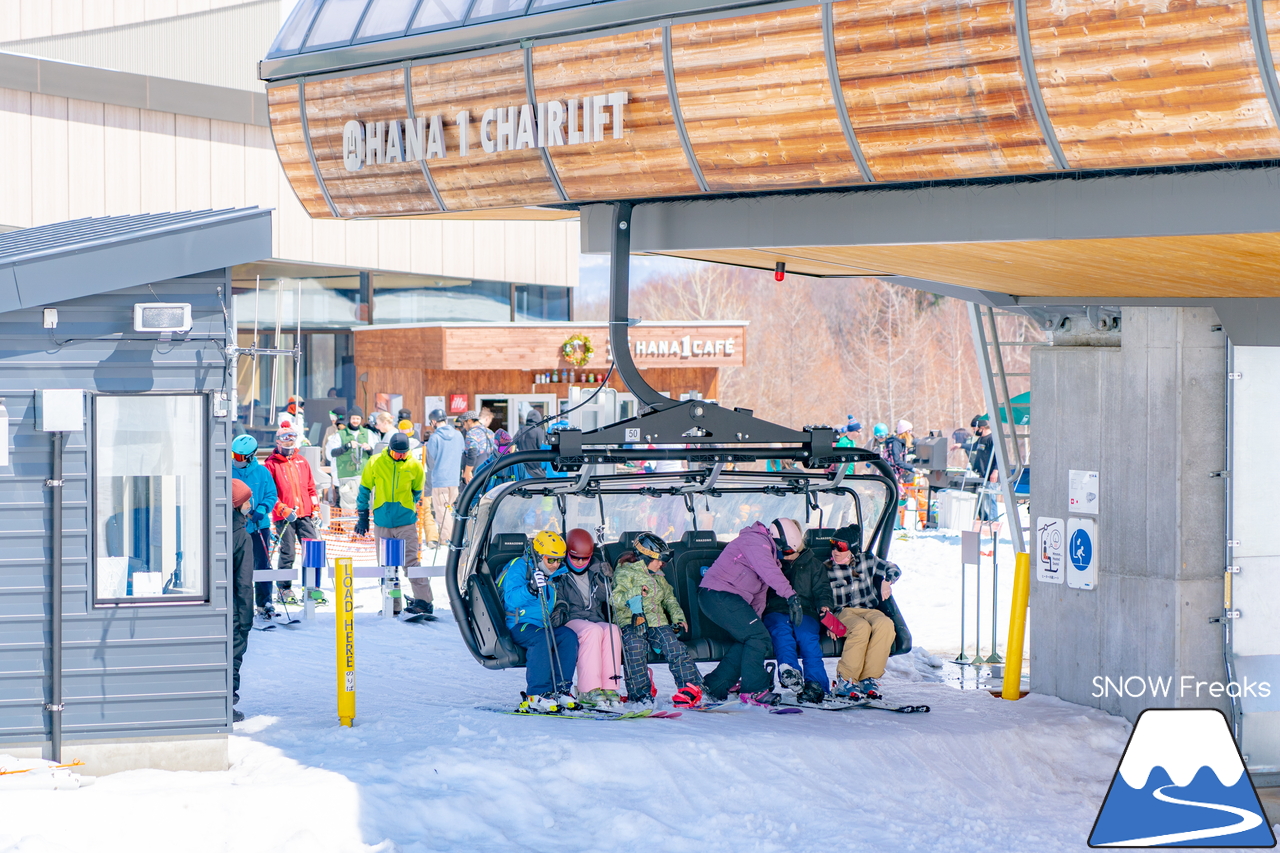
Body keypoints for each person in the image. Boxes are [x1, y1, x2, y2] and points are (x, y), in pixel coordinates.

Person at [698, 520, 800, 706]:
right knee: (759, 638)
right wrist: (791, 596)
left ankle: (715, 686)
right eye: (785, 551)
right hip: (719, 595)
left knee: (750, 639)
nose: (785, 556)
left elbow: (760, 594)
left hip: (727, 599)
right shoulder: (755, 542)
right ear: (778, 540)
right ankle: (754, 689)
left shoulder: (767, 552)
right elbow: (769, 573)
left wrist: (756, 620)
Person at [610, 533, 704, 707]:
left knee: (673, 645)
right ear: (646, 556)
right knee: (634, 646)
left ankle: (690, 688)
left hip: (657, 621)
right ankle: (640, 694)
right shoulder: (625, 572)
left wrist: (678, 617)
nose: (662, 564)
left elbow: (669, 599)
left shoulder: (658, 576)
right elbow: (614, 600)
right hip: (631, 621)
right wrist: (636, 591)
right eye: (659, 560)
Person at [497, 531, 579, 712]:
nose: (556, 564)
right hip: (519, 624)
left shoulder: (554, 573)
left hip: (543, 624)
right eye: (551, 560)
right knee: (541, 638)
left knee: (568, 636)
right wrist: (531, 588)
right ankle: (538, 693)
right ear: (539, 556)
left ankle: (561, 689)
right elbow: (511, 599)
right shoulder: (519, 567)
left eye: (559, 560)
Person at [355, 432, 431, 617]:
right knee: (386, 566)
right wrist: (363, 516)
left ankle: (424, 601)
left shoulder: (414, 465)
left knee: (411, 562)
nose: (401, 456)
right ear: (390, 449)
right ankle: (392, 604)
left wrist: (406, 507)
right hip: (382, 522)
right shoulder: (375, 462)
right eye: (397, 453)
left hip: (405, 522)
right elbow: (364, 489)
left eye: (404, 453)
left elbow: (416, 491)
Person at [762, 519, 834, 705]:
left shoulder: (813, 565)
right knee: (781, 631)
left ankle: (815, 684)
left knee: (807, 637)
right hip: (777, 610)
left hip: (805, 611)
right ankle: (790, 672)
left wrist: (825, 607)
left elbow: (822, 590)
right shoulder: (772, 562)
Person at [825, 524, 901, 700]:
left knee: (885, 625)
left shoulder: (866, 561)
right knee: (861, 628)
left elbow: (893, 568)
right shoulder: (826, 568)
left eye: (841, 547)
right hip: (843, 612)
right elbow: (820, 597)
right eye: (833, 544)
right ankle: (846, 679)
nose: (835, 550)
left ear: (851, 547)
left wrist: (886, 581)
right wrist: (829, 622)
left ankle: (868, 678)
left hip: (868, 609)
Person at [554, 529, 624, 709]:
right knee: (591, 632)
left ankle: (610, 687)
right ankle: (588, 689)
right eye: (575, 558)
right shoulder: (560, 572)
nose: (579, 562)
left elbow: (604, 598)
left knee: (612, 630)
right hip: (571, 619)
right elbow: (556, 597)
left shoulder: (595, 569)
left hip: (593, 616)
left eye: (584, 558)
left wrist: (604, 580)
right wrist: (560, 609)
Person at [264, 424, 320, 606]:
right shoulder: (271, 464)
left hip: (304, 514)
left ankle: (311, 587)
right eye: (285, 445)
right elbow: (269, 493)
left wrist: (316, 508)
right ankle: (284, 587)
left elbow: (311, 488)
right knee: (287, 551)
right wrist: (282, 509)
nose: (289, 449)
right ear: (278, 443)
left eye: (292, 445)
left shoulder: (302, 461)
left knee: (312, 550)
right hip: (285, 516)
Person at [231, 434, 278, 620]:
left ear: (251, 456)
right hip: (237, 527)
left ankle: (264, 602)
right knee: (239, 565)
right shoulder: (228, 471)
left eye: (240, 457)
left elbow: (271, 495)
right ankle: (239, 603)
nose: (236, 460)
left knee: (262, 564)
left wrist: (262, 508)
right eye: (234, 455)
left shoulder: (263, 472)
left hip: (259, 526)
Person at [230, 478, 255, 723]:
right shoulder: (241, 536)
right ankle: (227, 703)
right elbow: (244, 582)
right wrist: (246, 618)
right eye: (247, 500)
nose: (250, 505)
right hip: (236, 609)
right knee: (234, 655)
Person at [426, 408, 464, 545]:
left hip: (440, 479)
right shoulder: (458, 435)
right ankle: (454, 535)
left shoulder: (434, 438)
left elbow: (431, 461)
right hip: (454, 479)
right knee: (450, 509)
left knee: (442, 511)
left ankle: (447, 538)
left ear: (434, 421)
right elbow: (462, 452)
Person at [326, 406, 374, 504]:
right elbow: (332, 453)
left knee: (363, 505)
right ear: (349, 419)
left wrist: (369, 449)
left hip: (363, 476)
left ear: (361, 419)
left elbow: (374, 454)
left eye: (358, 418)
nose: (355, 421)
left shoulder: (368, 433)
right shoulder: (340, 434)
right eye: (353, 418)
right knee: (348, 507)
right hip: (346, 476)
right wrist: (347, 446)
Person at [461, 411, 496, 483]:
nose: (464, 426)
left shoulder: (472, 433)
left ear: (470, 421)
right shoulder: (490, 432)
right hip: (490, 469)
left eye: (464, 423)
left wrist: (468, 472)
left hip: (476, 471)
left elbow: (472, 452)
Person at [514, 408, 547, 478]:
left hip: (523, 472)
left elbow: (512, 448)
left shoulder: (520, 432)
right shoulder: (539, 431)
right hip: (538, 472)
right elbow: (545, 449)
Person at [884, 419, 916, 484]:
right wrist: (912, 468)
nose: (911, 433)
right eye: (909, 431)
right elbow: (897, 461)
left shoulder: (901, 443)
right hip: (892, 474)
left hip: (896, 474)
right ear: (904, 433)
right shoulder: (896, 443)